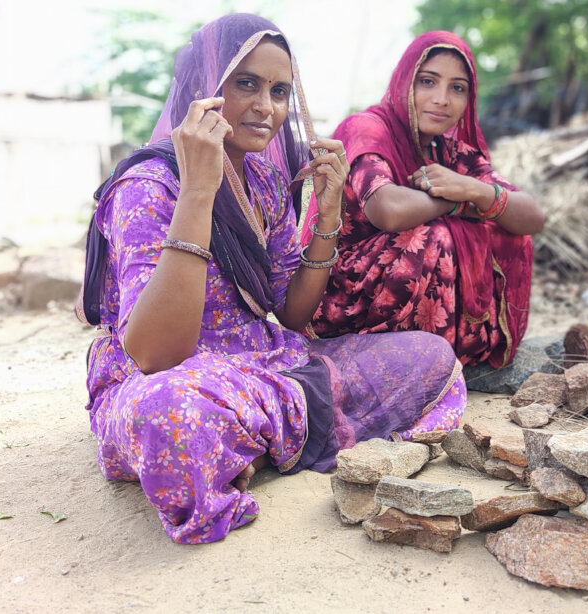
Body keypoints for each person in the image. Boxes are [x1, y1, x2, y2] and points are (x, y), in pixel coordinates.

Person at [76, 14, 466, 545]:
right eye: (246, 84)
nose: (267, 106)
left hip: (263, 363)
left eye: (279, 91)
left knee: (429, 354)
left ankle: (253, 444)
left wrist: (328, 215)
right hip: (177, 378)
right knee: (169, 414)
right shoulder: (148, 186)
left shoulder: (264, 181)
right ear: (202, 88)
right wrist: (198, 191)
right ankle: (269, 433)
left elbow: (293, 314)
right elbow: (155, 355)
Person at [305, 31, 545, 370]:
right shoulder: (367, 129)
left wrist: (474, 189)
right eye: (428, 81)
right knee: (435, 236)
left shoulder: (451, 153)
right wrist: (455, 203)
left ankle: (450, 353)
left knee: (506, 231)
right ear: (404, 81)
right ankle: (399, 360)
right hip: (342, 296)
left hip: (404, 294)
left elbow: (533, 217)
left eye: (457, 88)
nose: (442, 99)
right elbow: (386, 209)